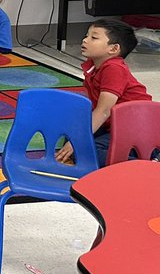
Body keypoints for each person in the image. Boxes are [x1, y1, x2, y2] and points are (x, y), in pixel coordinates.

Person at [58, 18, 155, 167]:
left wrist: (79, 140)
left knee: (85, 150)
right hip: (117, 125)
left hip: (139, 129)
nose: (85, 40)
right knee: (72, 135)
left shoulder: (114, 68)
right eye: (86, 35)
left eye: (94, 38)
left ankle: (147, 167)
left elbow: (103, 111)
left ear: (113, 49)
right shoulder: (94, 67)